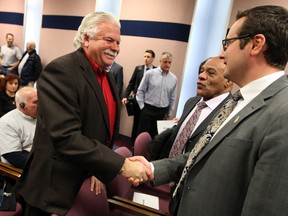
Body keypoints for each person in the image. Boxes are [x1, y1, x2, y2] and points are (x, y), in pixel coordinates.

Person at [131, 5, 288, 216]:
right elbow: (201, 155)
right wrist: (152, 168)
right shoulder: (238, 100)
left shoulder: (283, 113)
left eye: (227, 43)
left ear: (256, 44)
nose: (222, 53)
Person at [15, 11, 152, 216]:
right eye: (109, 40)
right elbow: (66, 136)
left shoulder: (108, 76)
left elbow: (100, 129)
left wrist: (99, 168)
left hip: (83, 176)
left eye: (118, 42)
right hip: (52, 188)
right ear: (86, 38)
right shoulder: (61, 71)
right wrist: (121, 165)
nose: (115, 48)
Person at [150, 56, 233, 160]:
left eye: (211, 72)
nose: (201, 76)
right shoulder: (191, 102)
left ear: (228, 81)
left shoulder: (231, 113)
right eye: (202, 71)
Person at [136, 51, 177, 138]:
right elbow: (140, 91)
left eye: (169, 62)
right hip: (148, 109)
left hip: (162, 112)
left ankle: (150, 152)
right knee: (142, 136)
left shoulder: (173, 78)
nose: (167, 64)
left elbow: (172, 97)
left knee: (155, 137)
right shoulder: (150, 74)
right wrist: (142, 107)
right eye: (165, 62)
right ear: (160, 61)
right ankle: (137, 151)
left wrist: (169, 113)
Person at [122, 49, 156, 142]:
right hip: (137, 101)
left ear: (153, 59)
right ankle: (134, 143)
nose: (145, 59)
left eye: (148, 57)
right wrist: (125, 96)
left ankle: (144, 145)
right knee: (136, 123)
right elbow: (131, 83)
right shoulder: (139, 69)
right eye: (144, 56)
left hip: (149, 103)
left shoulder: (156, 71)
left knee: (146, 126)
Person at [0, 87, 37, 169]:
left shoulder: (43, 117)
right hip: (24, 167)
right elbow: (14, 156)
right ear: (22, 105)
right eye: (36, 102)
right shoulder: (6, 122)